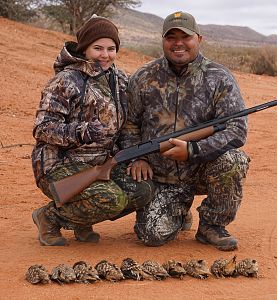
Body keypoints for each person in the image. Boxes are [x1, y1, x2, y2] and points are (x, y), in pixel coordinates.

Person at [121, 11, 250, 251]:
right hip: (160, 176)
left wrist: (194, 150)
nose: (178, 43)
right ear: (162, 40)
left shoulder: (219, 78)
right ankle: (179, 211)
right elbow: (129, 124)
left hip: (202, 169)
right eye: (171, 37)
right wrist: (137, 156)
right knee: (151, 235)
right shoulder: (143, 77)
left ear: (199, 39)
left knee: (233, 161)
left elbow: (237, 129)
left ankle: (212, 225)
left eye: (185, 36)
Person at [31, 15, 154, 246]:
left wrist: (136, 156)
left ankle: (81, 219)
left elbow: (126, 125)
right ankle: (49, 217)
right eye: (98, 48)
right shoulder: (66, 80)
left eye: (111, 48)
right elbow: (42, 128)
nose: (105, 55)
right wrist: (81, 132)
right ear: (85, 48)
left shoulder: (119, 79)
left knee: (143, 190)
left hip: (98, 163)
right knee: (111, 199)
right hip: (59, 164)